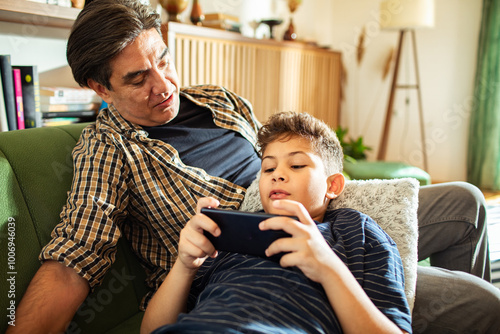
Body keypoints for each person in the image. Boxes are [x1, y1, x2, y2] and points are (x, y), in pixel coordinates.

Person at [6, 0, 500, 333]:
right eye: (138, 78)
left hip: (321, 220)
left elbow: (284, 154)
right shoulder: (107, 149)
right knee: (480, 302)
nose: (164, 85)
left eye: (164, 60)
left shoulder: (219, 100)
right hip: (254, 263)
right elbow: (73, 260)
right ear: (100, 88)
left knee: (467, 202)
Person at [141, 111, 411, 333]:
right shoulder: (229, 233)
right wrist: (185, 265)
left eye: (296, 166)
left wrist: (328, 268)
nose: (277, 175)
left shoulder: (354, 230)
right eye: (268, 168)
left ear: (333, 185)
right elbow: (152, 330)